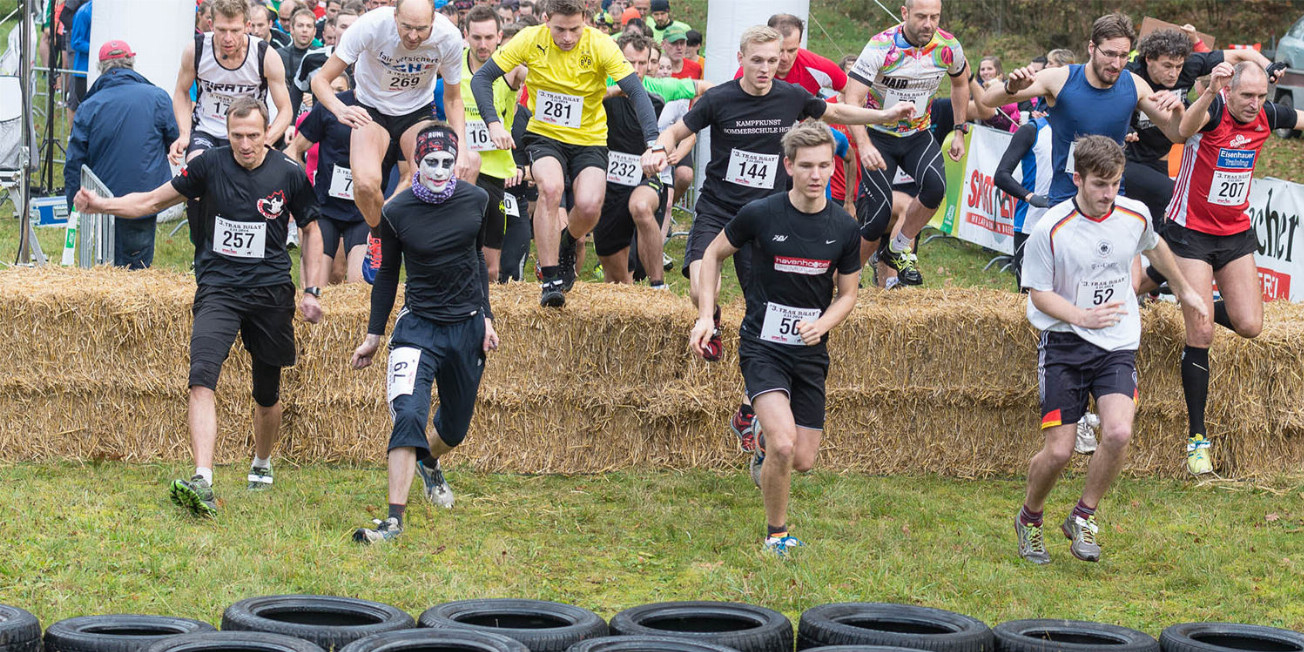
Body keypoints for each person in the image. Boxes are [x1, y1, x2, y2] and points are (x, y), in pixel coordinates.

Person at [649, 25, 911, 451]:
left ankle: (751, 404)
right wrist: (660, 149)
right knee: (702, 288)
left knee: (765, 313)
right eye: (758, 61)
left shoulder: (791, 97)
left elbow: (838, 113)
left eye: (774, 61)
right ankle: (710, 320)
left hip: (768, 219)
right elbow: (677, 131)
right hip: (720, 208)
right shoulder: (719, 98)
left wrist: (881, 117)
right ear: (741, 59)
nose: (767, 68)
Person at [73, 97, 325, 517]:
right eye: (237, 136)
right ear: (227, 134)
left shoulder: (289, 174)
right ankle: (202, 477)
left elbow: (313, 231)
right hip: (219, 288)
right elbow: (154, 201)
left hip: (270, 292)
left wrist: (312, 290)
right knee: (201, 378)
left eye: (253, 136)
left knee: (267, 393)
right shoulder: (208, 165)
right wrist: (102, 205)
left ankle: (262, 462)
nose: (245, 144)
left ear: (268, 133)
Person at [1015, 135, 1203, 565]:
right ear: (1077, 178)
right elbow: (1039, 295)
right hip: (1064, 342)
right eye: (1100, 185)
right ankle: (1030, 517)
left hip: (1117, 342)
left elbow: (1154, 245)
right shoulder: (1051, 228)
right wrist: (1081, 317)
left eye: (1115, 184)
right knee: (1060, 450)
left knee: (1118, 432)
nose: (1108, 195)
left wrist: (1186, 291)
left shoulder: (1133, 213)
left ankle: (1084, 515)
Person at [689, 122, 861, 557]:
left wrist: (823, 325)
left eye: (824, 165)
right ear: (788, 166)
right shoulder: (761, 214)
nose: (816, 174)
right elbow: (712, 253)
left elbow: (849, 294)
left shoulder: (843, 227)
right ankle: (776, 534)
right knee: (785, 443)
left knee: (801, 459)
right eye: (806, 166)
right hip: (762, 346)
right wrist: (707, 314)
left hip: (809, 351)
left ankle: (763, 447)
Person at [349, 124, 499, 544]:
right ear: (417, 162)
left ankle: (429, 462)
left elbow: (477, 264)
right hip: (418, 328)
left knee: (454, 428)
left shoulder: (478, 200)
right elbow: (386, 278)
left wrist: (486, 318)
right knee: (409, 415)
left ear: (457, 163)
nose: (438, 170)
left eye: (446, 162)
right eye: (430, 162)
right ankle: (394, 519)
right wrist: (374, 336)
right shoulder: (397, 211)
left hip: (465, 326)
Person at [471, 0, 662, 308]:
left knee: (588, 207)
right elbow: (482, 78)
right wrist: (493, 123)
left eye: (575, 28)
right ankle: (550, 279)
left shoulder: (600, 44)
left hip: (589, 139)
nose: (568, 37)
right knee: (550, 188)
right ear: (546, 20)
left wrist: (653, 140)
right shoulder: (530, 39)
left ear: (585, 20)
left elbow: (637, 91)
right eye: (560, 29)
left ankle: (568, 242)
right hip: (545, 135)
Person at [1165, 61, 1304, 475]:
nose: (1254, 105)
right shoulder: (1215, 111)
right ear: (1230, 90)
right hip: (1190, 230)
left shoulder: (1264, 114)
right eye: (1247, 96)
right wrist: (1209, 91)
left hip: (1234, 232)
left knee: (1250, 325)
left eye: (1261, 97)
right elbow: (1185, 129)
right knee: (1203, 331)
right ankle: (1196, 437)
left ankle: (1195, 305)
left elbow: (1300, 118)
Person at [980, 13, 1185, 209]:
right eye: (1110, 54)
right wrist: (1011, 88)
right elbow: (988, 99)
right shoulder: (1060, 79)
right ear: (1091, 48)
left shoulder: (1134, 85)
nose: (1116, 64)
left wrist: (1178, 109)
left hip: (1112, 202)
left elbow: (1176, 133)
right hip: (1066, 202)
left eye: (1123, 56)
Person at [310, 0, 470, 235]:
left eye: (422, 29)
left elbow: (454, 99)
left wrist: (462, 149)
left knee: (430, 179)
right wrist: (339, 109)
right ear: (395, 16)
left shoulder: (448, 37)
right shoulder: (370, 26)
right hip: (371, 109)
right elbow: (320, 80)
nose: (413, 36)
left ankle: (419, 245)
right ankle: (378, 235)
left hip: (417, 111)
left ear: (433, 20)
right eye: (406, 27)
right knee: (365, 184)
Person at [842, 0, 969, 284]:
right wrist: (863, 144)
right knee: (876, 218)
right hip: (879, 136)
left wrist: (959, 130)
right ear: (904, 12)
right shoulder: (880, 46)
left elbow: (961, 83)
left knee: (936, 189)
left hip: (917, 135)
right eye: (922, 16)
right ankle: (847, 279)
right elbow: (852, 98)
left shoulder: (948, 46)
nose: (929, 24)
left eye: (935, 17)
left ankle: (896, 250)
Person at [1122, 28, 1273, 228]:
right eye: (1167, 65)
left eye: (1178, 66)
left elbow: (1242, 55)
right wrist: (1126, 128)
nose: (1173, 73)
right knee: (1171, 194)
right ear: (1149, 59)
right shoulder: (1131, 75)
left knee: (1155, 221)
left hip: (1158, 159)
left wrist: (1270, 67)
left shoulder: (1190, 65)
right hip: (1127, 159)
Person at [64, 40, 180, 269]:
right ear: (131, 63)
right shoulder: (158, 96)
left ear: (101, 67)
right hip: (145, 195)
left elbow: (74, 160)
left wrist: (73, 207)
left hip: (102, 196)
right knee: (136, 267)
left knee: (104, 264)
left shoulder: (89, 105)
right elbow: (173, 139)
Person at [169, 0, 294, 165]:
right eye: (221, 30)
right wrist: (184, 134)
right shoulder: (196, 50)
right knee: (197, 167)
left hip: (246, 134)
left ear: (247, 26)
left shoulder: (265, 55)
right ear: (211, 24)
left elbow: (285, 109)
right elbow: (181, 92)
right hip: (206, 130)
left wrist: (265, 141)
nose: (228, 38)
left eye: (235, 30)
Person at [286, 72, 376, 283]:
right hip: (325, 209)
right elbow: (293, 151)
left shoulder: (391, 110)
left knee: (359, 287)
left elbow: (406, 172)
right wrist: (304, 198)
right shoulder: (331, 106)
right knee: (313, 286)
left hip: (364, 213)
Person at [461, 5, 526, 282]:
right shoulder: (451, 67)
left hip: (495, 174)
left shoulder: (510, 69)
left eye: (489, 37)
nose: (483, 44)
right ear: (466, 35)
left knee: (490, 269)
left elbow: (533, 76)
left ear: (500, 36)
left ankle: (487, 319)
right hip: (461, 172)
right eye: (477, 37)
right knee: (459, 259)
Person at [732, 14, 846, 97]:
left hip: (804, 129)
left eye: (792, 50)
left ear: (800, 42)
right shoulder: (747, 74)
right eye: (780, 51)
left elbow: (854, 92)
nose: (785, 58)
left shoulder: (816, 66)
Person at [280, 7, 319, 113]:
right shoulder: (278, 55)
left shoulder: (321, 57)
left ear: (314, 31)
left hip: (313, 112)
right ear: (292, 29)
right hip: (284, 109)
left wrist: (316, 98)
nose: (304, 30)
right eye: (300, 25)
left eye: (309, 26)